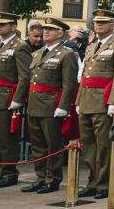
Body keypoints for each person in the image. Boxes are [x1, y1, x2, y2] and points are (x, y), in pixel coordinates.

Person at [76, 8, 114, 199]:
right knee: (88, 144)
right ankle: (92, 181)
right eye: (96, 22)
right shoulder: (91, 46)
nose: (98, 25)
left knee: (103, 144)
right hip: (87, 100)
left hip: (103, 101)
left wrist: (113, 101)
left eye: (103, 22)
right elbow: (84, 76)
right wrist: (78, 99)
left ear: (112, 25)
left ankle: (103, 184)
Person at [19, 18, 78, 194]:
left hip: (52, 104)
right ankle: (40, 177)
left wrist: (63, 106)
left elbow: (69, 84)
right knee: (38, 144)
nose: (46, 32)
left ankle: (53, 179)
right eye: (45, 29)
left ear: (60, 33)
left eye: (51, 29)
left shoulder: (66, 54)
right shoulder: (37, 53)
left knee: (53, 144)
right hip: (35, 103)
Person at [0, 12, 32, 188]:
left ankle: (10, 172)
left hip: (6, 97)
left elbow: (24, 76)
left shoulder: (20, 46)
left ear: (13, 26)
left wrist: (17, 99)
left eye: (3, 24)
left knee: (6, 138)